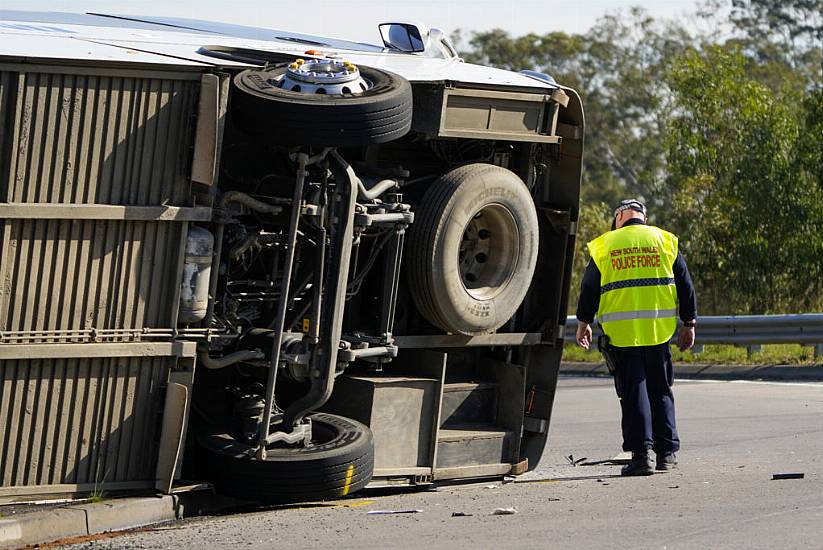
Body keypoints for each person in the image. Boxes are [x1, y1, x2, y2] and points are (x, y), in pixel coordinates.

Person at [575, 199, 697, 476]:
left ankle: (642, 458)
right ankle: (667, 455)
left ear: (619, 217)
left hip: (623, 335)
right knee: (661, 391)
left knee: (634, 394)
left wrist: (584, 322)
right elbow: (685, 286)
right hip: (658, 331)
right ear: (644, 217)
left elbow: (589, 288)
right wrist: (689, 323)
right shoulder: (665, 241)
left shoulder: (605, 245)